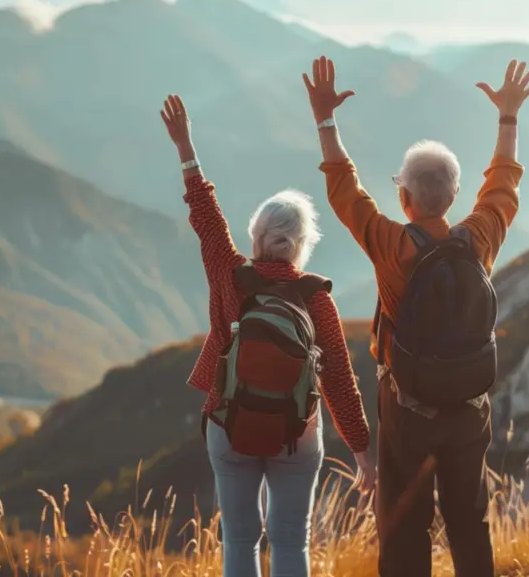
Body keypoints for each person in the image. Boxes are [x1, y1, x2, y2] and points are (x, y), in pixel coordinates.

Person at [302, 56, 529, 576]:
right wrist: (508, 116)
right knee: (468, 520)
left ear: (405, 199)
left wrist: (325, 119)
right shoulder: (478, 238)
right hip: (469, 404)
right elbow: (503, 184)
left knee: (406, 525)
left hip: (407, 406)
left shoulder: (394, 247)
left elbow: (345, 191)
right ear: (455, 196)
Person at [160, 93, 376, 577]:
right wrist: (362, 450)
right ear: (303, 246)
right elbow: (340, 378)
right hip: (297, 431)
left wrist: (185, 146)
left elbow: (205, 216)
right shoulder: (316, 297)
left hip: (229, 420)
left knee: (239, 538)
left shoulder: (229, 274)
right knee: (291, 540)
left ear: (256, 238)